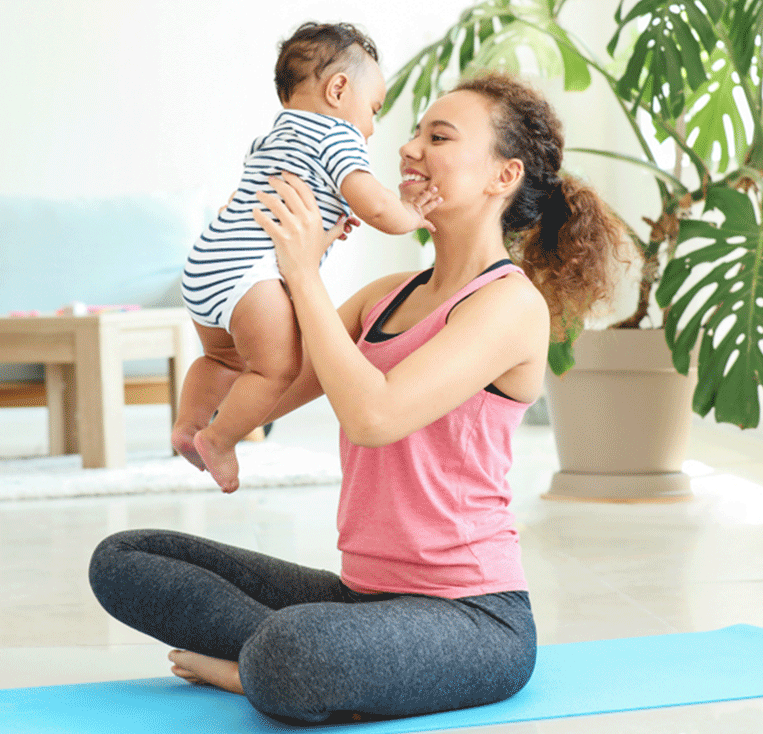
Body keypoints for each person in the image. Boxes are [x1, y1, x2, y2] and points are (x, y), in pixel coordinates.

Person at [90, 71, 628, 724]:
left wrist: (304, 272)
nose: (409, 149)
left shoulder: (509, 304)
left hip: (473, 617)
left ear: (502, 175)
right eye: (413, 133)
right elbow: (265, 387)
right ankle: (283, 656)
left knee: (298, 649)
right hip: (363, 596)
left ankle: (266, 664)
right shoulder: (386, 296)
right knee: (124, 559)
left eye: (440, 136)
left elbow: (374, 415)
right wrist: (244, 268)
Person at [174, 22, 438, 493]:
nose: (373, 126)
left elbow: (274, 195)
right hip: (249, 275)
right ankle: (218, 438)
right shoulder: (338, 136)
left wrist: (332, 225)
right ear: (339, 89)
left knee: (221, 360)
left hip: (207, 262)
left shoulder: (275, 135)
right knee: (278, 369)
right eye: (373, 109)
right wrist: (411, 214)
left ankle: (186, 425)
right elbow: (376, 204)